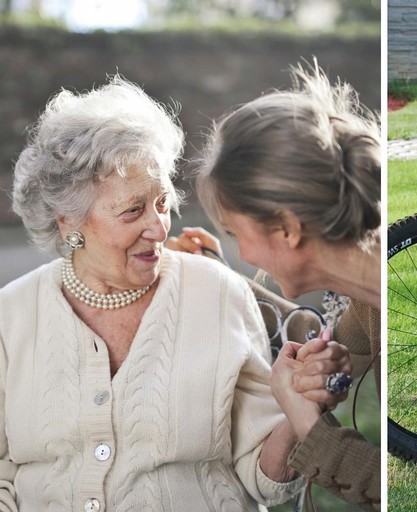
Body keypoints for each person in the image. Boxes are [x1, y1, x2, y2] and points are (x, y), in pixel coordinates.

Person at [0, 76, 337, 511]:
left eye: (162, 202)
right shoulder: (11, 315)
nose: (160, 228)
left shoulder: (218, 294)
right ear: (69, 220)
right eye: (133, 210)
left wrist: (298, 407)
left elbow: (267, 482)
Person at [190, 61, 381, 510]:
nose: (246, 255)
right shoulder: (366, 298)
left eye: (236, 235)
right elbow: (325, 337)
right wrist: (211, 270)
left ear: (288, 229)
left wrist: (305, 420)